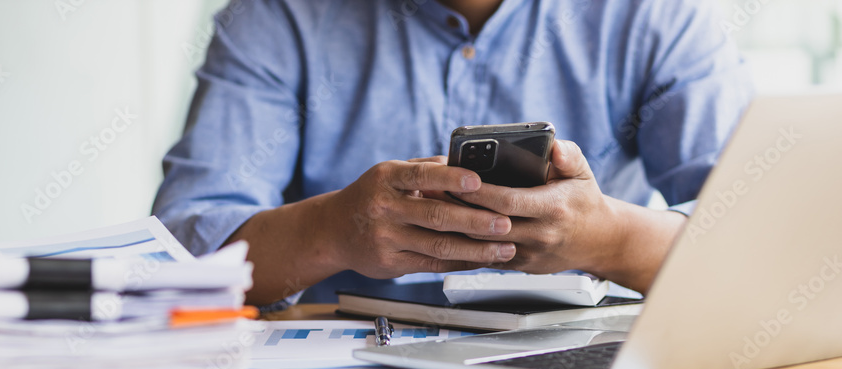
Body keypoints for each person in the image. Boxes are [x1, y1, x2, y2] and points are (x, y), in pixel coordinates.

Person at [153, 0, 753, 307]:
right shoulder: (277, 16)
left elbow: (764, 241)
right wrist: (334, 230)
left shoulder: (655, 16)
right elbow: (180, 257)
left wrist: (610, 239)